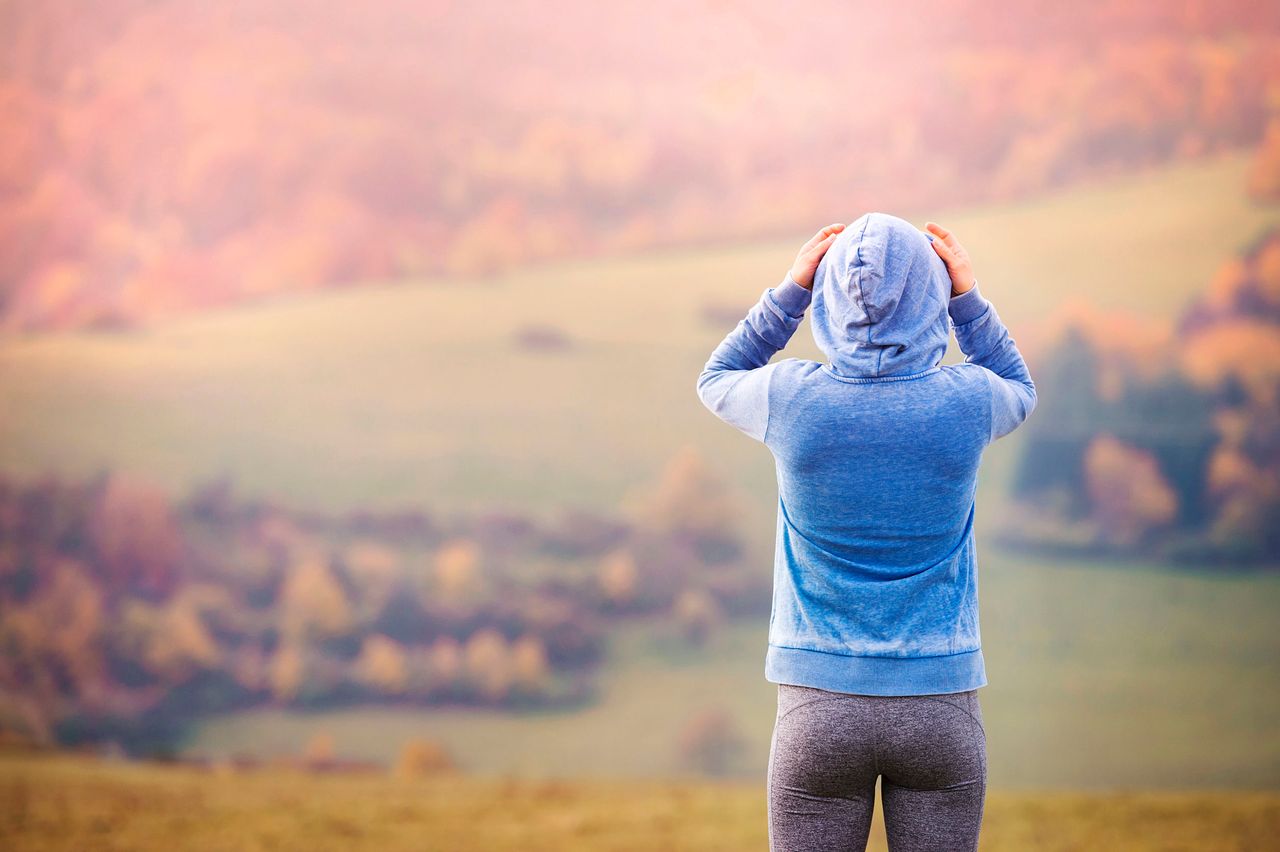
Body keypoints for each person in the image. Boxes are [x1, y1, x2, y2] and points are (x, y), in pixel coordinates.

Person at [695, 213, 1036, 852]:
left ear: (828, 299)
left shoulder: (791, 401)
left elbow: (716, 377)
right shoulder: (966, 402)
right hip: (940, 703)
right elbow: (1020, 385)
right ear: (931, 297)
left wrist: (791, 291)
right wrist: (968, 299)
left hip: (816, 706)